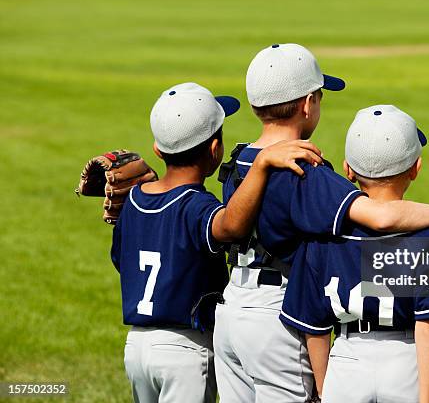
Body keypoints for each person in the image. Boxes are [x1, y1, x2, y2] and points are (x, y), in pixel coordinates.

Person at [213, 44, 429, 402]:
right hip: (277, 314)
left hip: (230, 311)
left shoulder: (240, 161)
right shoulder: (305, 171)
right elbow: (380, 216)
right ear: (307, 104)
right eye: (319, 97)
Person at [110, 82, 323, 403]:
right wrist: (262, 165)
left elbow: (120, 260)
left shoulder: (135, 201)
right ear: (215, 149)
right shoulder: (197, 205)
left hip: (136, 349)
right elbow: (232, 226)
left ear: (157, 149)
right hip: (184, 351)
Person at [281, 105, 429, 403]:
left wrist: (323, 388)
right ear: (416, 168)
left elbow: (316, 328)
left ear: (348, 170)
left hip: (347, 359)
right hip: (404, 359)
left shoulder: (323, 235)